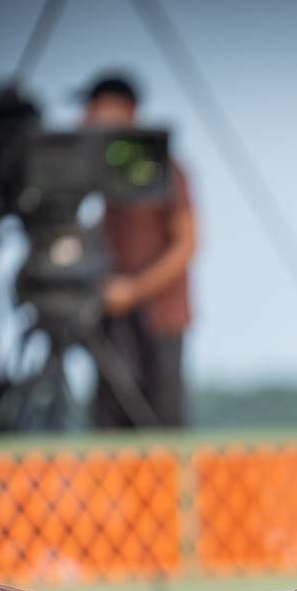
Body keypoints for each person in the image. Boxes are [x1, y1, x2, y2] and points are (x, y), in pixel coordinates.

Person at [80, 73, 198, 429]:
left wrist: (134, 290)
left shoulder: (165, 169)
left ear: (127, 110)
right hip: (113, 321)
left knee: (160, 425)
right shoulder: (104, 169)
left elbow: (187, 244)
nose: (90, 118)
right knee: (110, 424)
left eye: (98, 109)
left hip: (160, 319)